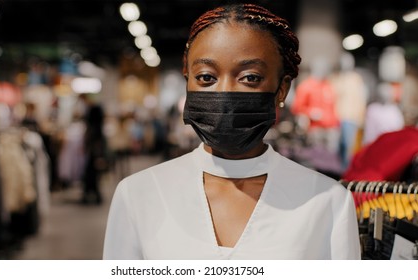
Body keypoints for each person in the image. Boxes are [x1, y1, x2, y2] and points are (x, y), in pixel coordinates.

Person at [103, 3, 360, 260]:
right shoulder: (138, 194)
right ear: (187, 79)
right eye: (206, 77)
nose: (224, 93)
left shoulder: (328, 201)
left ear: (281, 89)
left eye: (250, 78)